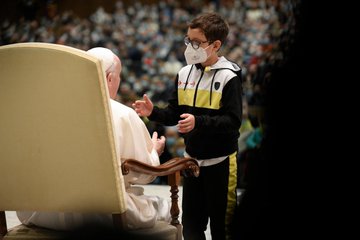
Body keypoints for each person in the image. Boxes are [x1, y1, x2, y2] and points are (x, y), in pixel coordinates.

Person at [17, 47, 171, 231]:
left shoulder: (46, 110)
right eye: (119, 76)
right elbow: (144, 174)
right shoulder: (123, 114)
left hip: (44, 211)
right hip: (103, 213)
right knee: (164, 207)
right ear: (109, 78)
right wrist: (154, 151)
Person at [133, 12, 242, 240]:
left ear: (215, 45)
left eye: (196, 42)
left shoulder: (230, 76)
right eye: (187, 40)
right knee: (192, 227)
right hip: (191, 162)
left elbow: (233, 122)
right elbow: (174, 113)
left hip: (220, 162)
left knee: (223, 228)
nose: (190, 47)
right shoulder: (184, 73)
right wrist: (153, 112)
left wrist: (198, 121)